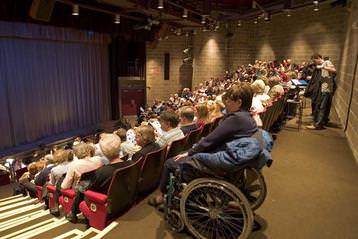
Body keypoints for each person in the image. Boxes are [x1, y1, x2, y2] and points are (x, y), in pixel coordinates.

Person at [149, 83, 258, 207]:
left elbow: (210, 140)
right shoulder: (247, 117)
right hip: (232, 155)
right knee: (183, 155)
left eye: (228, 100)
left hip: (222, 160)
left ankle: (162, 196)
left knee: (170, 162)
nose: (226, 102)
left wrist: (190, 152)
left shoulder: (235, 119)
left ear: (238, 102)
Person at [306, 54, 336, 129]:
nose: (314, 63)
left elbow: (334, 70)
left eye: (314, 61)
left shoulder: (327, 62)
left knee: (322, 107)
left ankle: (318, 125)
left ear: (318, 58)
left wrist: (323, 67)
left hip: (326, 89)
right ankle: (319, 122)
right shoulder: (323, 64)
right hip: (323, 88)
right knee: (320, 106)